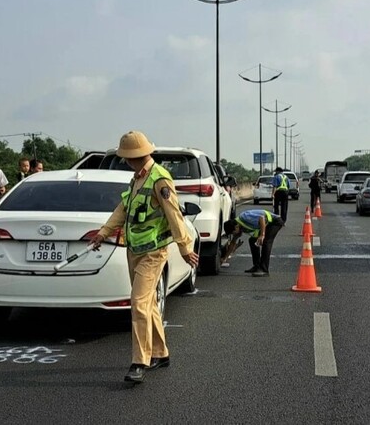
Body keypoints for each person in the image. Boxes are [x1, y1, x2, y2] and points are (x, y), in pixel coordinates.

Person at [88, 131, 198, 384]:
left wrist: (185, 247)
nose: (125, 161)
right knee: (147, 304)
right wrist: (103, 233)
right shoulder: (137, 179)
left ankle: (140, 361)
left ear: (136, 156)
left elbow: (174, 215)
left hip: (153, 252)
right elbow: (123, 209)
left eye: (127, 157)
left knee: (137, 304)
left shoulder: (160, 179)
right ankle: (161, 353)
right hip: (134, 250)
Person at [223, 209, 285, 277]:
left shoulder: (244, 217)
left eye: (233, 233)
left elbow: (262, 218)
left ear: (236, 227)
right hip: (267, 224)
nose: (234, 235)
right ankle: (257, 266)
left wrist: (262, 235)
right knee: (252, 241)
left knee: (266, 242)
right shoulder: (238, 228)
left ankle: (264, 270)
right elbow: (232, 243)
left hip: (275, 222)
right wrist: (224, 258)